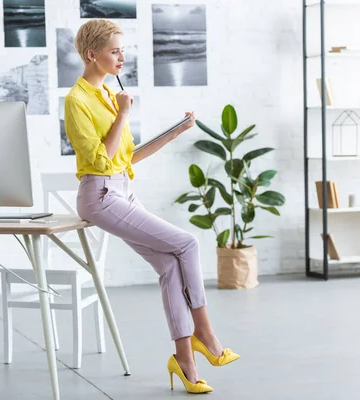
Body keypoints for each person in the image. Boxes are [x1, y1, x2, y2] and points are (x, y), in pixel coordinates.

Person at [64, 19, 239, 394]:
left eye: (122, 50)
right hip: (99, 197)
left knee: (170, 266)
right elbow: (99, 160)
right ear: (92, 55)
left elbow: (126, 158)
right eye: (115, 51)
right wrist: (124, 114)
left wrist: (174, 132)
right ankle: (205, 333)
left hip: (121, 191)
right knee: (187, 245)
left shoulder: (110, 95)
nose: (122, 58)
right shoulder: (77, 100)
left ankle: (185, 361)